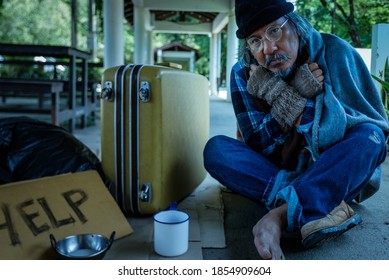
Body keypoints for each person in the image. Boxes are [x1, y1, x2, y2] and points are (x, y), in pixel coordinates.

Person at [203, 0, 389, 260]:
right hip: (283, 166)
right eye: (255, 41)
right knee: (217, 150)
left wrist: (300, 106)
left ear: (296, 25)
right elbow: (259, 144)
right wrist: (285, 94)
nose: (268, 48)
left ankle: (280, 215)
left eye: (274, 31)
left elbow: (364, 125)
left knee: (371, 137)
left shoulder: (336, 52)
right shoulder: (243, 72)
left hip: (330, 163)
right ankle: (320, 202)